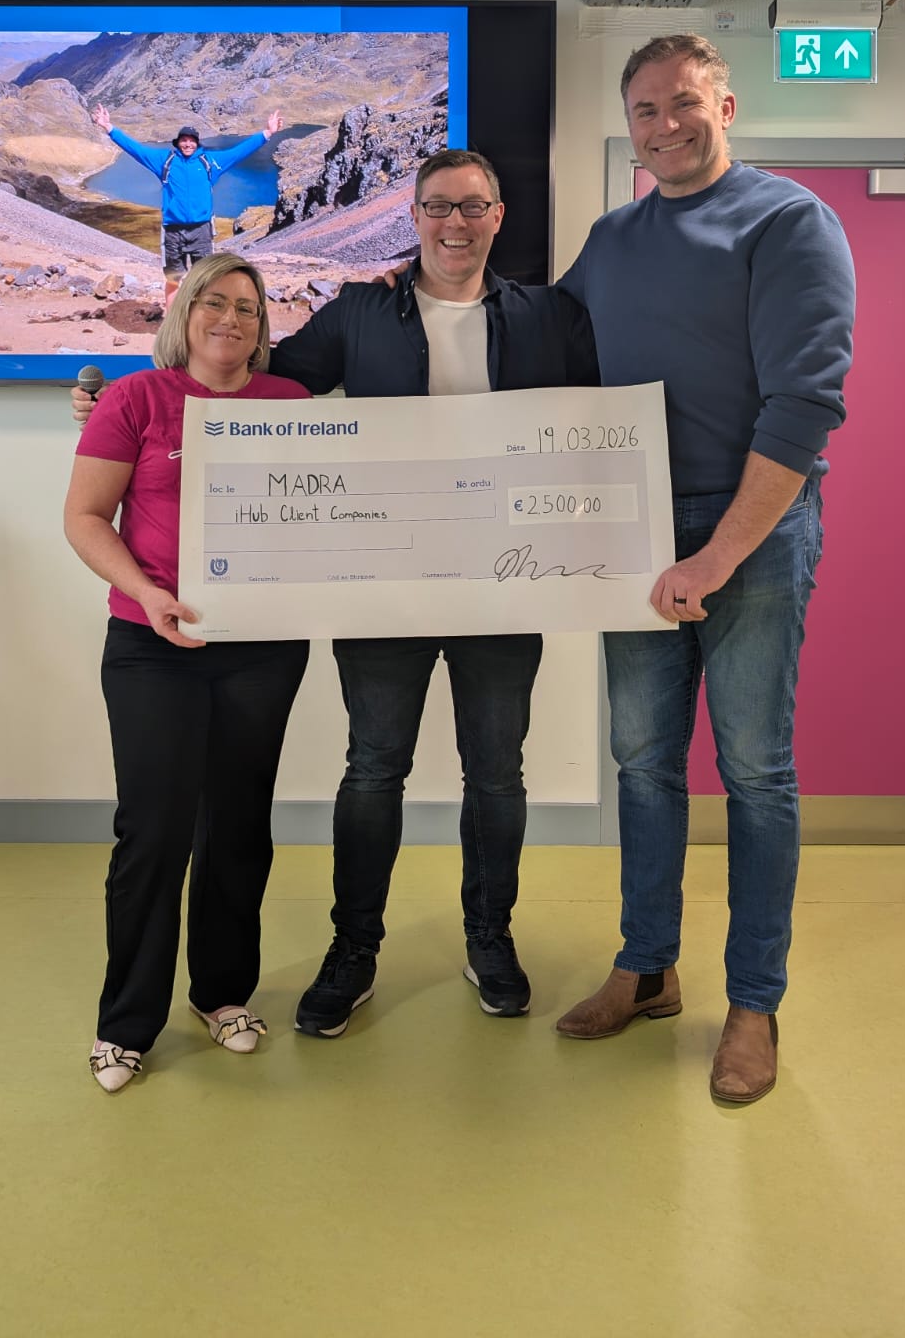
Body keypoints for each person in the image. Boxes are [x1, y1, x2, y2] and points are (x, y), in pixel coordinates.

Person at [73, 149, 599, 1040]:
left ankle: (490, 939)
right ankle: (353, 949)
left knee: (497, 772)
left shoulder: (550, 316)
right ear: (415, 216)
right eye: (438, 207)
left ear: (498, 216)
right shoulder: (360, 312)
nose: (456, 223)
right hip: (383, 590)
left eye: (473, 207)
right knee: (373, 769)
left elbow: (596, 424)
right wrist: (103, 401)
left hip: (503, 591)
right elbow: (241, 378)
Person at [554, 34, 856, 1103]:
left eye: (683, 103)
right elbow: (539, 350)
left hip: (752, 534)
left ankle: (753, 1003)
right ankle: (646, 968)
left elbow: (805, 405)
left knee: (754, 770)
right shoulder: (612, 239)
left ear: (724, 107)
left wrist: (718, 553)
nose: (664, 125)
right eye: (644, 110)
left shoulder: (788, 221)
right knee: (641, 760)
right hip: (634, 531)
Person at [65, 253, 312, 1092]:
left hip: (263, 648)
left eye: (247, 307)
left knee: (238, 825)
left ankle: (222, 995)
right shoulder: (136, 399)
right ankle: (125, 1023)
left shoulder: (292, 404)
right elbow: (86, 516)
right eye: (214, 302)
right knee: (154, 829)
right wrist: (147, 592)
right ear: (184, 313)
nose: (230, 319)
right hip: (151, 644)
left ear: (263, 327)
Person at [91, 104, 283, 307]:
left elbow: (239, 151)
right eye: (184, 140)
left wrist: (268, 133)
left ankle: (202, 316)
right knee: (173, 278)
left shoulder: (210, 162)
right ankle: (172, 318)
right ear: (178, 143)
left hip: (201, 231)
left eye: (192, 140)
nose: (188, 144)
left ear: (197, 143)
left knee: (206, 278)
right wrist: (109, 127)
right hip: (173, 231)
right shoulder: (165, 161)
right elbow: (135, 149)